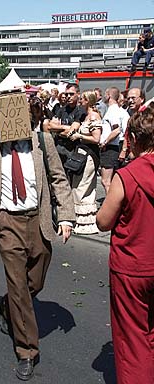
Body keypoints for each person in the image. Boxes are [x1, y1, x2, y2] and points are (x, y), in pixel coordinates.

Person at [0, 128, 75, 381]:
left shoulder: (42, 141)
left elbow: (59, 178)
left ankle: (7, 304)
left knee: (34, 282)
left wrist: (67, 216)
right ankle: (26, 351)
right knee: (18, 287)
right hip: (7, 222)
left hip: (38, 220)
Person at [96, 106, 154, 384]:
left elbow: (104, 221)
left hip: (133, 268)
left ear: (134, 138)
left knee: (133, 341)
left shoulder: (128, 175)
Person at [68, 90, 102, 234]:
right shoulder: (86, 115)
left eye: (82, 99)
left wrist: (79, 136)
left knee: (83, 187)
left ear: (88, 101)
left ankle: (86, 224)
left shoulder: (94, 116)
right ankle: (79, 221)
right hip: (81, 154)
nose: (80, 101)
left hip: (89, 155)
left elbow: (96, 139)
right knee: (78, 185)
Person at [99, 87, 121, 194]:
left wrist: (105, 142)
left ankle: (110, 206)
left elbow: (116, 130)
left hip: (110, 148)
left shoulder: (113, 111)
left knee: (106, 181)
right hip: (109, 148)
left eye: (105, 94)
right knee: (108, 181)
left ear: (108, 95)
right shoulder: (111, 110)